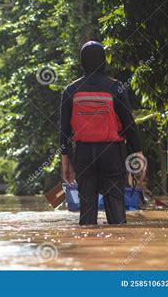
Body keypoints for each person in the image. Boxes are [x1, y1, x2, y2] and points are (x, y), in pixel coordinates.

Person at [59, 40, 146, 225]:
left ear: (82, 61)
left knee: (87, 210)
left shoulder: (70, 90)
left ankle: (88, 248)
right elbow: (129, 123)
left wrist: (65, 161)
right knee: (116, 207)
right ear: (104, 61)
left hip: (83, 154)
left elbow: (64, 131)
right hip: (112, 154)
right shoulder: (116, 87)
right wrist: (137, 152)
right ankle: (118, 247)